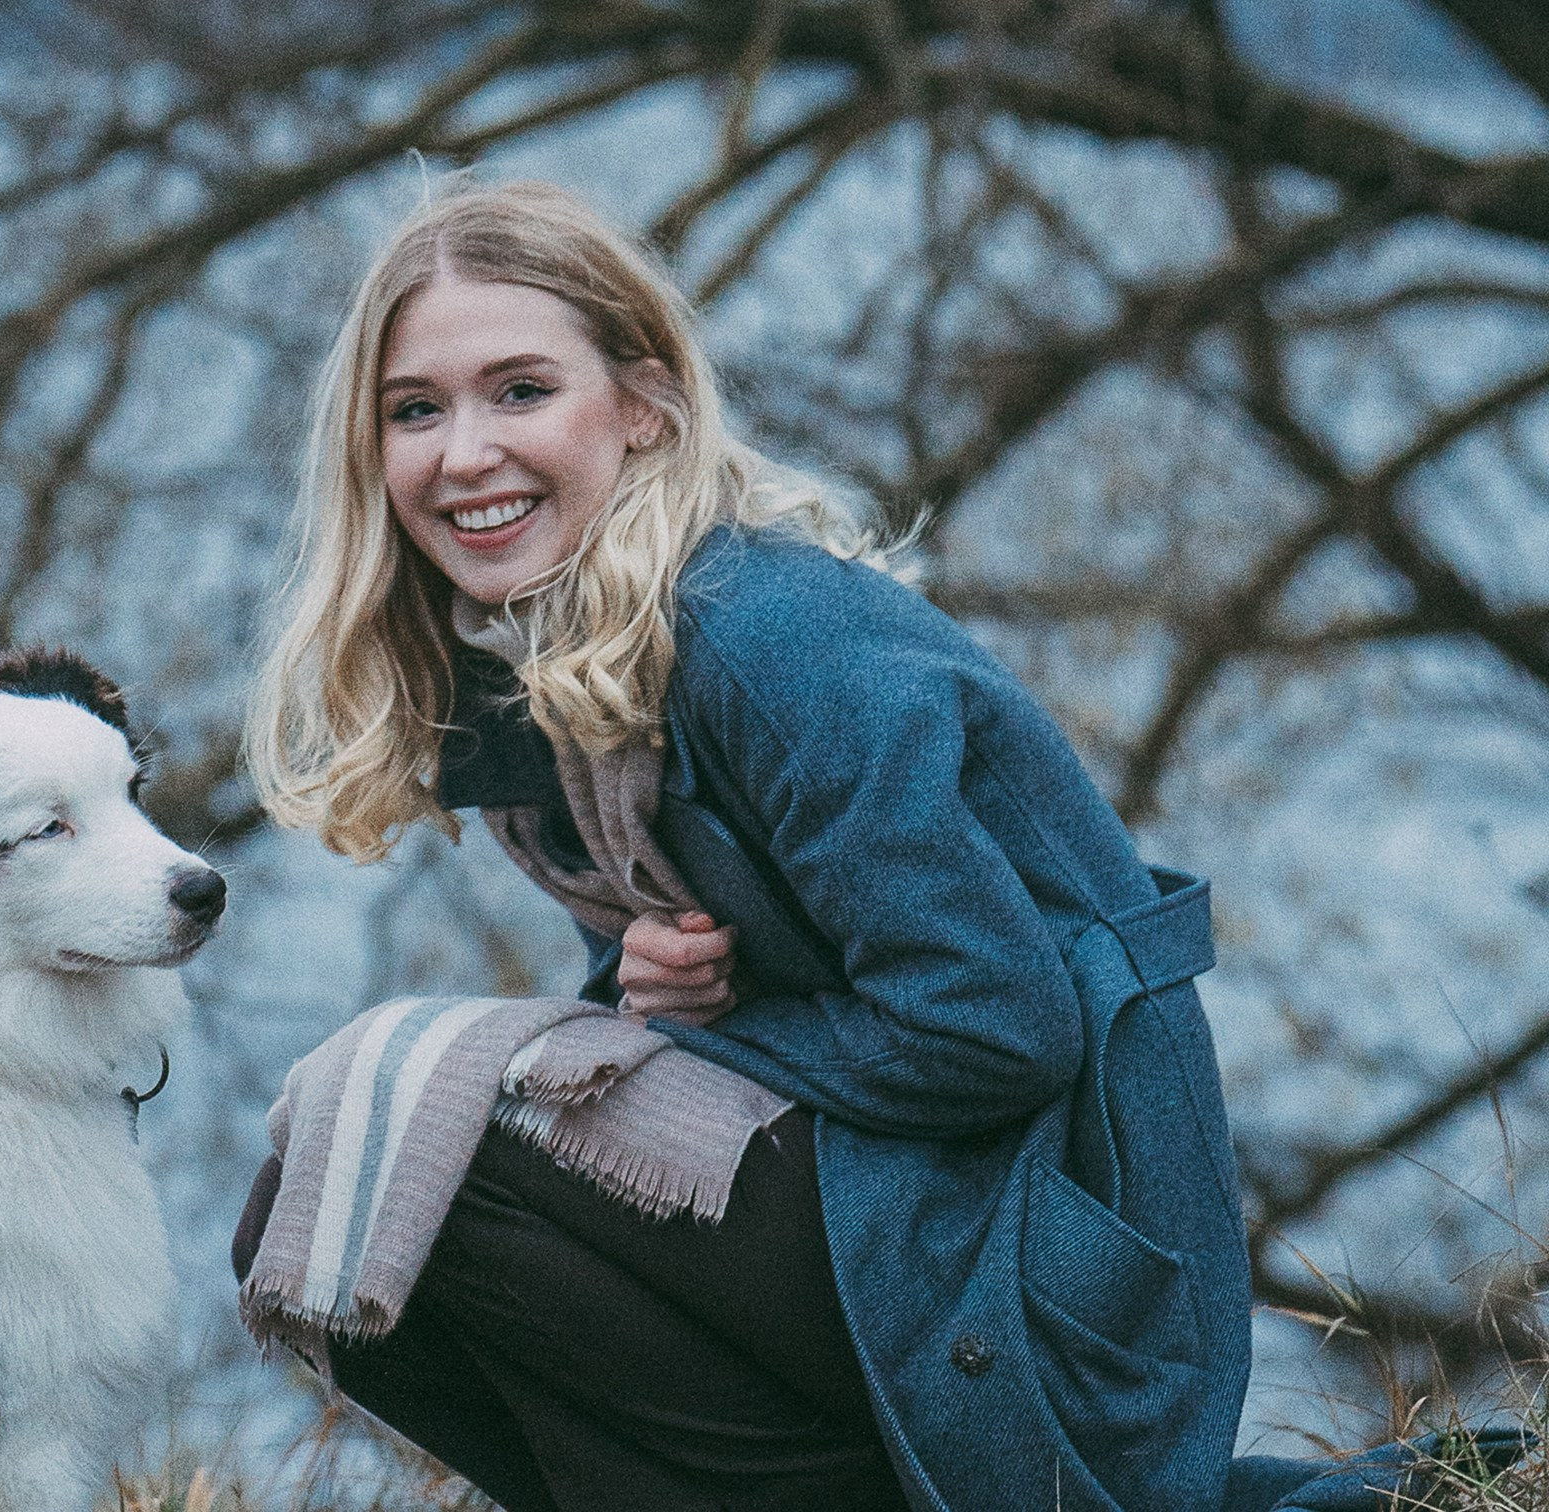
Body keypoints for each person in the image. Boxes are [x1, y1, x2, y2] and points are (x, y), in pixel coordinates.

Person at [241, 178, 1254, 1512]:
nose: (464, 452)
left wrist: (680, 1042)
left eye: (522, 391)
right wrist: (658, 1003)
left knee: (422, 1130)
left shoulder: (772, 642)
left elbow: (999, 1022)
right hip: (911, 1215)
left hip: (1066, 1302)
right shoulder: (564, 685)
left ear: (647, 406)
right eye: (416, 410)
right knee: (316, 1203)